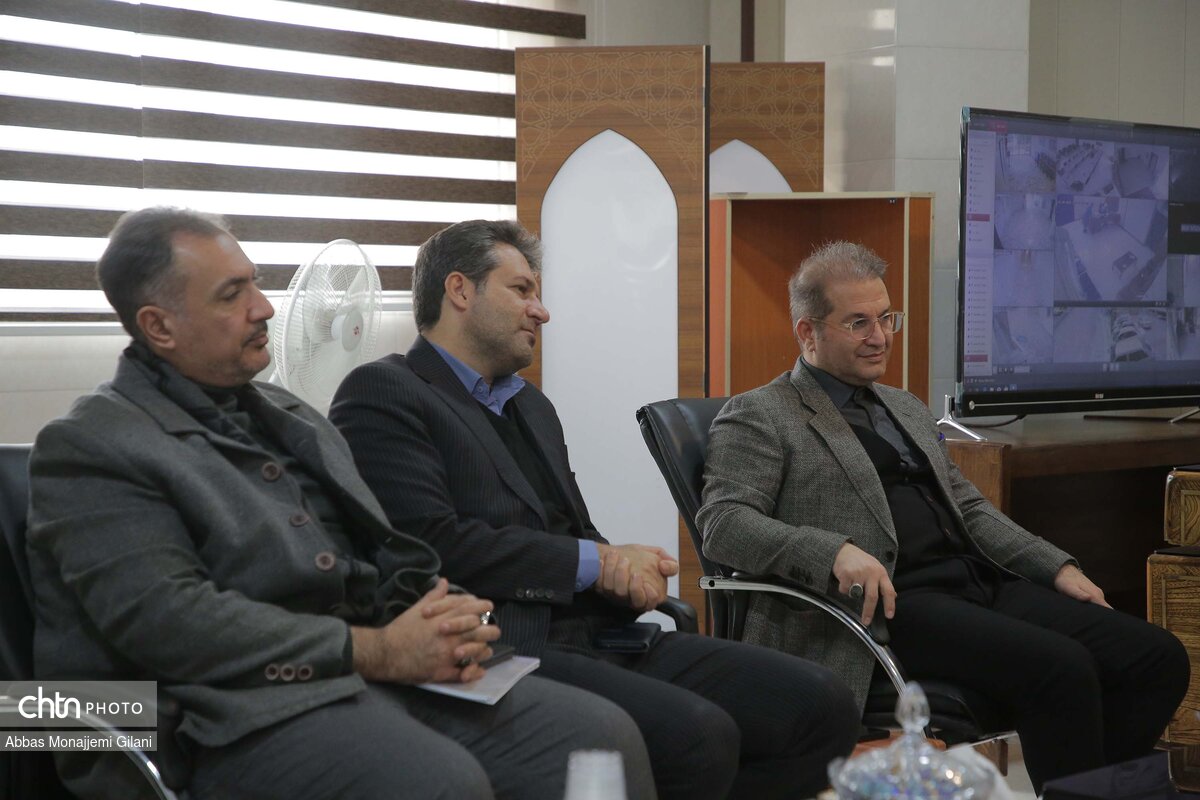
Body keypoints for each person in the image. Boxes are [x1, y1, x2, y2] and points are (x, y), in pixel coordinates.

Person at [25, 207, 657, 800]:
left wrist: (436, 614)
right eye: (231, 295)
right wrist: (379, 650)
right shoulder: (91, 445)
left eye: (255, 284)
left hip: (351, 677)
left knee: (597, 737)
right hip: (200, 714)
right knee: (436, 781)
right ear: (158, 326)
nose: (263, 307)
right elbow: (171, 625)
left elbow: (384, 551)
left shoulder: (291, 416)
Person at [328, 219, 860, 800]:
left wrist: (626, 573)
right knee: (697, 735)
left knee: (822, 704)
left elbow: (575, 531)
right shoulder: (384, 392)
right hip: (505, 644)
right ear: (459, 290)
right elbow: (432, 544)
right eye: (522, 290)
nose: (542, 311)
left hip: (602, 633)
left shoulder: (532, 406)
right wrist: (597, 562)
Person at [696, 240, 1190, 791]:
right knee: (1062, 668)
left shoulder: (904, 406)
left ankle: (1094, 791)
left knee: (1156, 657)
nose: (880, 336)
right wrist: (831, 551)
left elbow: (969, 509)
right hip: (891, 606)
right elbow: (724, 524)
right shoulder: (761, 414)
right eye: (858, 323)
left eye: (886, 318)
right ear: (807, 332)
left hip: (977, 583)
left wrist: (1054, 566)